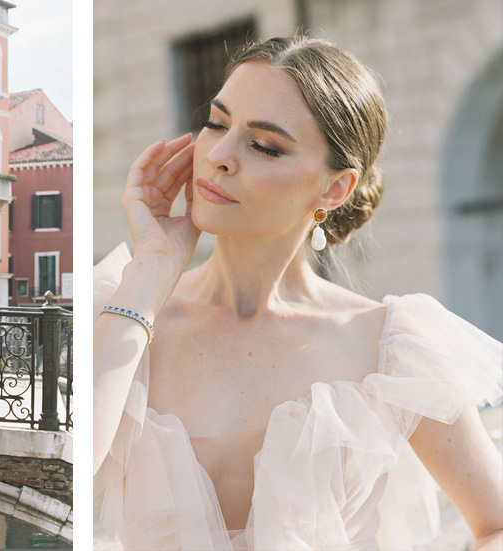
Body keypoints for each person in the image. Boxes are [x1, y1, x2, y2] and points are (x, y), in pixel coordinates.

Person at [93, 36, 503, 550]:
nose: (218, 156)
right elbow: (68, 463)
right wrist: (151, 268)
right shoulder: (120, 313)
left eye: (264, 145)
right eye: (217, 123)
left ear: (334, 189)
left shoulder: (391, 347)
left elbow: (496, 523)